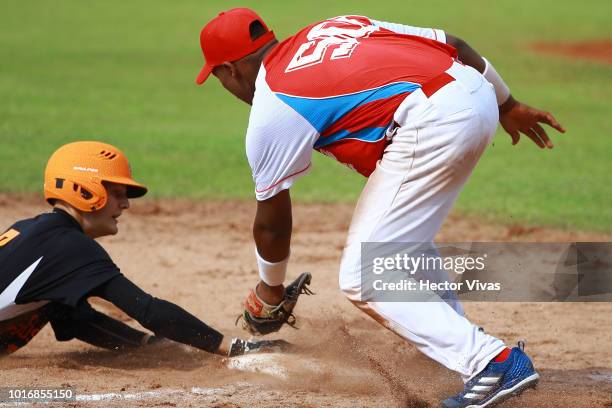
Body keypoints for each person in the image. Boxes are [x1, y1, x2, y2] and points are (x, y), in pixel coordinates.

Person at [194, 8, 565, 408]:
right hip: (474, 94)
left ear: (230, 70)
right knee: (404, 245)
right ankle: (448, 350)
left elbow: (272, 225)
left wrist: (270, 288)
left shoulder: (272, 109)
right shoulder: (332, 27)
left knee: (362, 274)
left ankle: (494, 361)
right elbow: (454, 45)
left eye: (217, 78)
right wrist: (507, 104)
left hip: (434, 122)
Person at [0, 141, 283, 358]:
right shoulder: (72, 247)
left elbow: (75, 319)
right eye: (118, 194)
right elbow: (150, 311)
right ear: (84, 191)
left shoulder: (32, 232)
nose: (126, 205)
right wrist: (233, 348)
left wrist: (146, 344)